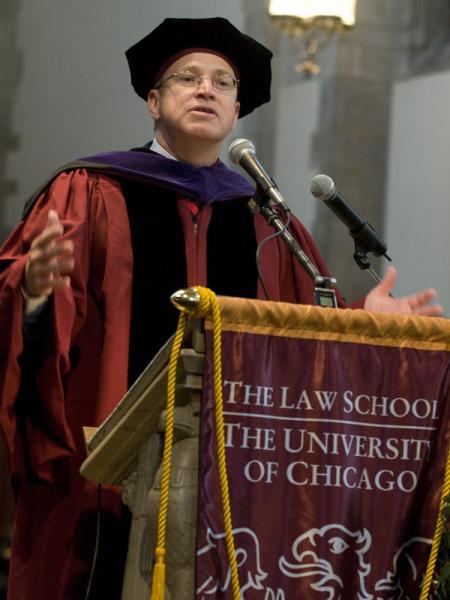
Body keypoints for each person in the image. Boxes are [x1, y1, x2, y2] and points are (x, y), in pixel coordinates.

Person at [0, 16, 443, 600]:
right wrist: (31, 293)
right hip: (106, 479)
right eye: (188, 78)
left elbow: (296, 338)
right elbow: (25, 336)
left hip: (235, 484)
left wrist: (363, 323)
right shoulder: (89, 190)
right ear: (154, 102)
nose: (207, 89)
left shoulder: (266, 220)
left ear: (236, 113)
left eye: (223, 83)